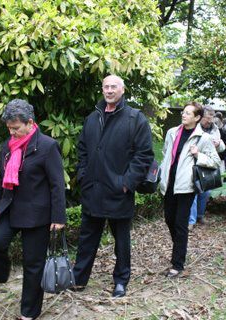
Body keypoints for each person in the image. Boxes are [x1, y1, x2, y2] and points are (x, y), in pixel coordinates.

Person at [72, 75, 154, 298]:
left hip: (118, 192)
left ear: (123, 89)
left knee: (122, 242)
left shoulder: (135, 118)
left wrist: (126, 183)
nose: (109, 90)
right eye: (106, 87)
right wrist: (83, 175)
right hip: (92, 190)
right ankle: (78, 279)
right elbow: (83, 150)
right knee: (87, 238)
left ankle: (121, 281)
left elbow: (144, 155)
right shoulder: (92, 118)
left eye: (113, 87)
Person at [0, 99, 66, 320]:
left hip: (36, 214)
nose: (12, 132)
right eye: (9, 128)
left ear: (30, 123)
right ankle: (1, 274)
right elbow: (2, 179)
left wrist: (59, 217)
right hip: (9, 208)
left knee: (33, 265)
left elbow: (57, 183)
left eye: (16, 128)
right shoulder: (7, 146)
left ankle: (29, 312)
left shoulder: (48, 146)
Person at [159, 102, 221, 277]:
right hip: (169, 183)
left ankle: (177, 264)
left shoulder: (203, 138)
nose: (183, 115)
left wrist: (198, 155)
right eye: (183, 112)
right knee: (169, 219)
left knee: (180, 224)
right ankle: (180, 246)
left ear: (197, 117)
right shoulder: (172, 132)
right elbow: (166, 154)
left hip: (186, 186)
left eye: (188, 113)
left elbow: (215, 161)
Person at [188, 106, 225, 228]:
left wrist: (218, 144)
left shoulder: (215, 129)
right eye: (207, 120)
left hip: (208, 164)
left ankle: (200, 216)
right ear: (201, 117)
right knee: (193, 190)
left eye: (211, 120)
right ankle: (191, 221)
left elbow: (223, 147)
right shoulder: (194, 127)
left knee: (205, 192)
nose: (209, 122)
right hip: (194, 163)